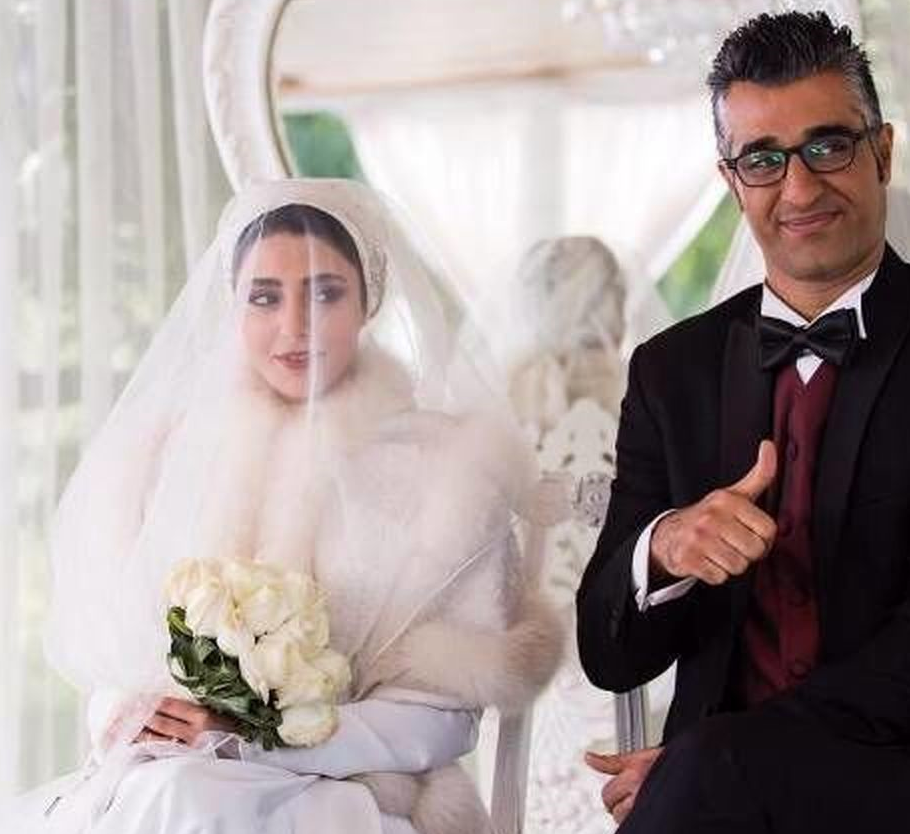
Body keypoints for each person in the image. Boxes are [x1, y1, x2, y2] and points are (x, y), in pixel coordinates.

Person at [576, 11, 910, 834]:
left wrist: (712, 759)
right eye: (763, 160)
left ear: (883, 152)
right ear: (732, 181)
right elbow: (608, 653)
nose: (799, 189)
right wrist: (666, 548)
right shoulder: (670, 370)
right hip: (720, 785)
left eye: (827, 146)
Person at [3, 179, 563, 834]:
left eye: (325, 293)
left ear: (368, 301)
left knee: (187, 802)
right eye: (264, 297)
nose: (294, 326)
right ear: (233, 305)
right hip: (181, 777)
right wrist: (141, 717)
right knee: (172, 796)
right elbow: (115, 679)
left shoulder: (447, 473)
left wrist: (259, 739)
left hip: (363, 796)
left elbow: (440, 723)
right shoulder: (169, 458)